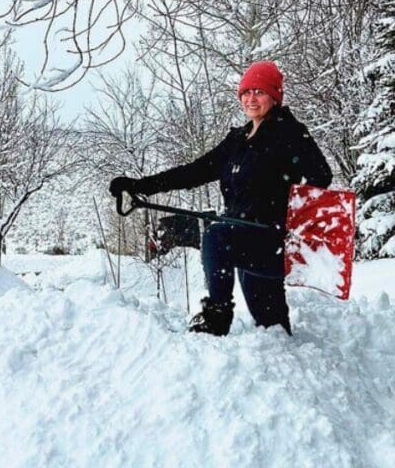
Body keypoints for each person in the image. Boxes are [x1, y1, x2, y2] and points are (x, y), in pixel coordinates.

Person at [109, 61, 332, 336]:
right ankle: (294, 370)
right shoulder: (237, 141)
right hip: (244, 240)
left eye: (260, 92)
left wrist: (294, 217)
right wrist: (140, 185)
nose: (251, 98)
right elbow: (195, 171)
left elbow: (322, 176)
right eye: (246, 92)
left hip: (271, 240)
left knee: (215, 237)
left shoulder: (288, 133)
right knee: (273, 330)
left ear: (274, 96)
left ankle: (217, 316)